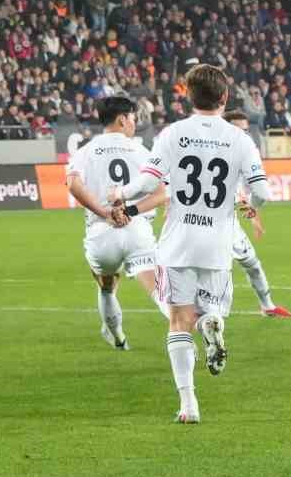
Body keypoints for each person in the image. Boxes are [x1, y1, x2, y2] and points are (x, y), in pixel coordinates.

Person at [110, 64, 270, 424]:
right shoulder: (240, 139)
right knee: (207, 311)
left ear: (186, 95)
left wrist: (119, 193)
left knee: (179, 321)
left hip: (178, 241)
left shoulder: (173, 134)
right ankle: (212, 321)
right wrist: (251, 207)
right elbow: (261, 191)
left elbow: (149, 185)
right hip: (217, 243)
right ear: (225, 98)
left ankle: (188, 404)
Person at [65, 96, 171, 351]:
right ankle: (188, 331)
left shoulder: (86, 151)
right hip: (137, 230)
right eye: (133, 118)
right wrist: (130, 211)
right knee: (159, 290)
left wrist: (104, 212)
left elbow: (73, 184)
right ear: (123, 120)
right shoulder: (143, 152)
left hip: (101, 232)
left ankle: (118, 337)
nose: (134, 123)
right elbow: (161, 193)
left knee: (107, 286)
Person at [223, 110, 291, 318]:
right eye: (238, 130)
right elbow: (259, 194)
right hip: (207, 224)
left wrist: (253, 217)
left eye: (245, 130)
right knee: (214, 273)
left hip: (229, 223)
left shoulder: (242, 152)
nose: (243, 134)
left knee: (252, 264)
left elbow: (247, 191)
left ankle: (268, 306)